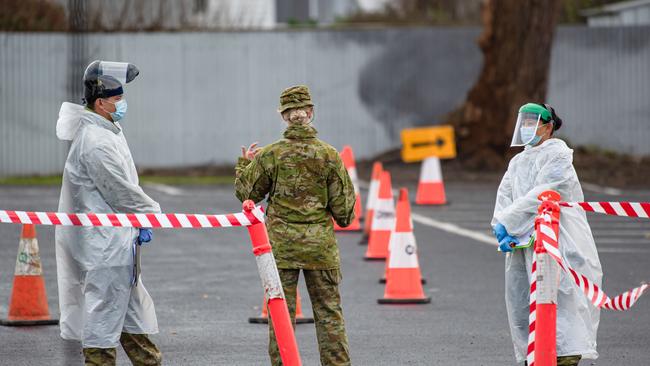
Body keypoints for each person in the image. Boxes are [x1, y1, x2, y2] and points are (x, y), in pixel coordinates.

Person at [235, 85, 355, 366]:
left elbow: (247, 195)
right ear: (311, 113)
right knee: (329, 315)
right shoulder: (329, 155)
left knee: (281, 316)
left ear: (284, 116)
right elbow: (345, 214)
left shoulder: (271, 155)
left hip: (282, 250)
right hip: (320, 250)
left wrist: (244, 165)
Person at [55, 60, 162, 366]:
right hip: (105, 251)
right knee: (102, 326)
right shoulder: (96, 142)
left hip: (116, 246)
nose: (122, 104)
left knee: (132, 322)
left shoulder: (106, 129)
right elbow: (119, 190)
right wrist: (151, 213)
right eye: (117, 100)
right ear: (100, 103)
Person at [492, 103, 603, 366]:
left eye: (533, 121)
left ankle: (566, 353)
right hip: (524, 239)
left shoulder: (558, 154)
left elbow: (544, 192)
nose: (527, 126)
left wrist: (508, 220)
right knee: (521, 297)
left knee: (561, 292)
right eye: (524, 121)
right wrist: (500, 225)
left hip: (558, 236)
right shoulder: (518, 161)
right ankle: (534, 354)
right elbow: (504, 194)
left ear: (548, 125)